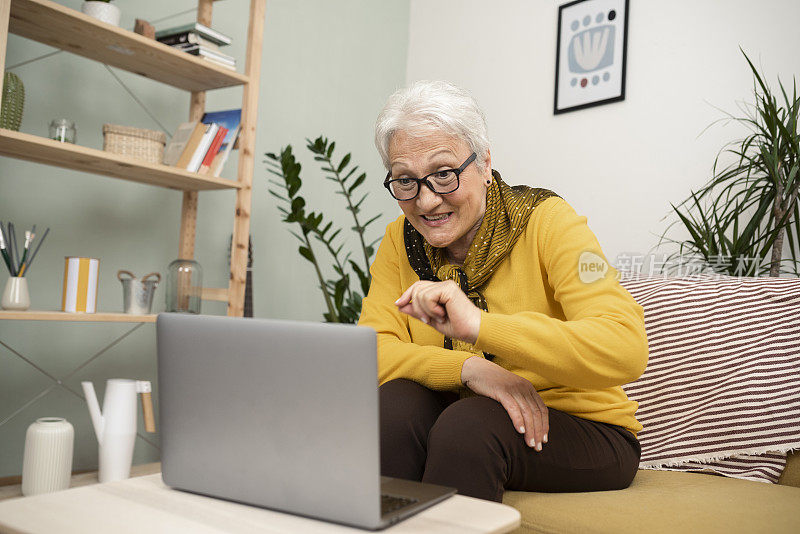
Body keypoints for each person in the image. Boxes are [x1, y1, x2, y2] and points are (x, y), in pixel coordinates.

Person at [357, 80, 648, 503]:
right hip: (467, 404)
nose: (426, 202)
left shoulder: (550, 222)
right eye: (405, 181)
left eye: (443, 174)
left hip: (584, 425)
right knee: (393, 408)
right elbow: (371, 349)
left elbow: (624, 346)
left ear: (485, 163)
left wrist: (480, 326)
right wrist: (469, 370)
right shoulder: (398, 240)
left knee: (467, 428)